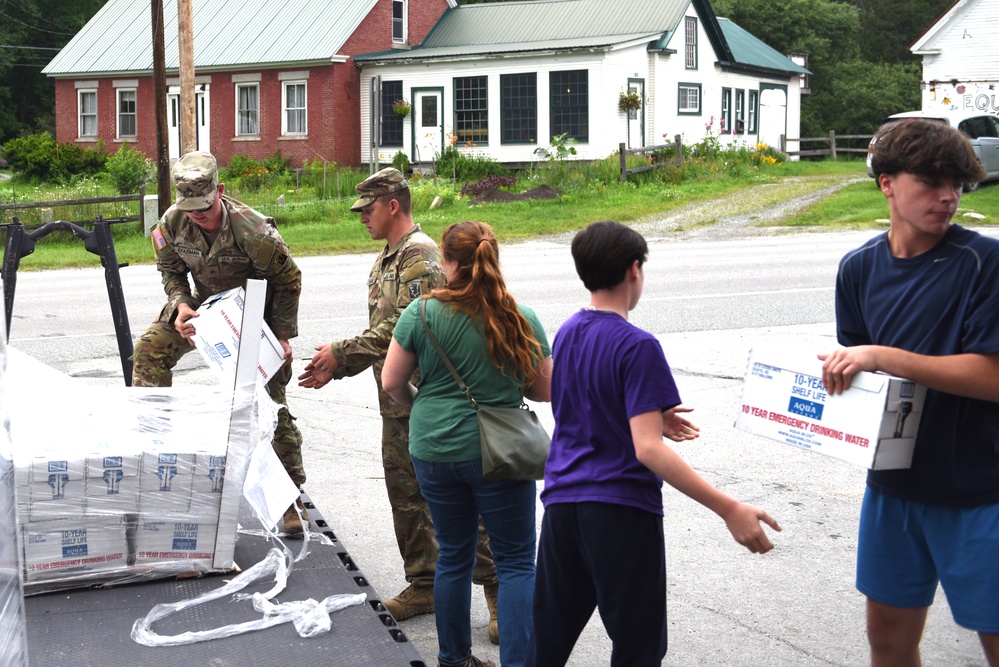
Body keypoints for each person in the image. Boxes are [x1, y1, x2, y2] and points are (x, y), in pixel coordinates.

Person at [525, 221, 781, 667]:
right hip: (620, 511)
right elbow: (647, 450)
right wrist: (729, 508)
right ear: (634, 270)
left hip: (563, 505)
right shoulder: (638, 345)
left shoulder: (568, 331)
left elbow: (583, 406)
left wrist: (646, 413)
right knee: (638, 648)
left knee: (548, 641)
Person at [819, 119, 999, 667]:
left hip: (980, 490)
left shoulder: (984, 263)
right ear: (887, 183)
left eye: (959, 184)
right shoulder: (857, 268)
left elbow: (993, 378)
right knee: (889, 645)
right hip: (892, 488)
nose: (948, 197)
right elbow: (865, 384)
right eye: (931, 181)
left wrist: (882, 356)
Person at [298, 169, 501, 633]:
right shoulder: (387, 259)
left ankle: (497, 593)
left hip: (434, 401)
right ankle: (423, 583)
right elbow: (388, 336)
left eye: (367, 209)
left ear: (393, 205)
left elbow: (405, 330)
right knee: (406, 495)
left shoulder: (422, 259)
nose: (362, 218)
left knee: (469, 503)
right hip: (398, 401)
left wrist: (341, 353)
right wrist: (343, 362)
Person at [382, 221, 552, 667]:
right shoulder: (520, 316)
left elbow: (392, 382)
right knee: (516, 561)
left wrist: (423, 405)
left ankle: (453, 659)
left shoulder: (419, 313)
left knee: (453, 556)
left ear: (450, 262)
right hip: (500, 451)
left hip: (433, 448)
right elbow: (544, 390)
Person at [132, 151, 308, 536]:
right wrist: (179, 303)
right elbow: (171, 269)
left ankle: (291, 500)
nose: (198, 215)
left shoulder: (254, 232)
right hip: (202, 308)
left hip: (253, 317)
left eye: (205, 208)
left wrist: (280, 335)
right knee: (148, 350)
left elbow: (289, 280)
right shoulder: (171, 223)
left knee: (268, 403)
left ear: (220, 191)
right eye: (191, 209)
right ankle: (154, 455)